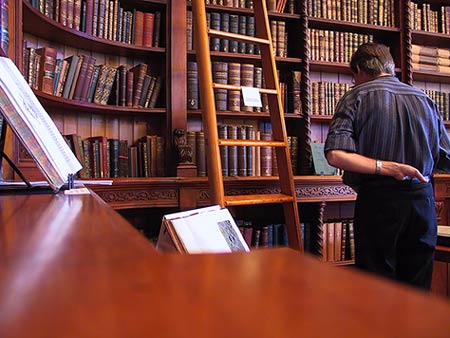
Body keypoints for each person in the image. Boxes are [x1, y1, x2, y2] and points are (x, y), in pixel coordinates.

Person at [324, 42, 450, 290]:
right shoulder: (424, 98)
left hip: (379, 202)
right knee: (417, 290)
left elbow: (336, 155)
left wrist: (387, 167)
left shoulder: (355, 96)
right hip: (423, 203)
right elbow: (445, 156)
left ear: (358, 69)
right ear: (390, 68)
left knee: (376, 288)